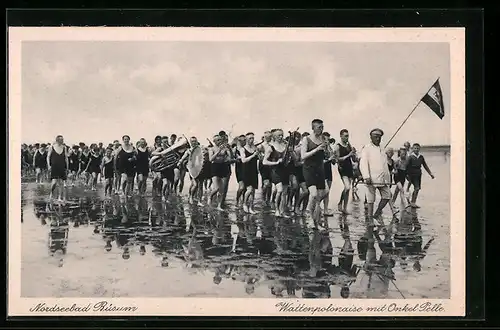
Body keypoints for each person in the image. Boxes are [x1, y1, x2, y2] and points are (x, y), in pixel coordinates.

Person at [359, 128, 392, 226]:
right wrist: (366, 176)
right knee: (370, 199)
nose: (378, 138)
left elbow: (385, 164)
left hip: (383, 178)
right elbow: (363, 163)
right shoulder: (367, 148)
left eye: (379, 136)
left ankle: (377, 213)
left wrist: (388, 176)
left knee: (387, 196)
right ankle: (370, 219)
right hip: (371, 178)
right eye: (375, 136)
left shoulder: (382, 148)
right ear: (371, 137)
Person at [301, 119, 329, 228]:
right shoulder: (306, 139)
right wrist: (317, 149)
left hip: (320, 169)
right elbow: (303, 156)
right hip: (309, 169)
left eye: (322, 127)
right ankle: (309, 213)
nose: (321, 130)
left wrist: (326, 150)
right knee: (313, 194)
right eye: (319, 127)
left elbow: (325, 156)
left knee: (320, 196)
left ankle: (316, 222)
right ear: (313, 128)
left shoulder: (323, 139)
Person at [263, 129, 289, 217]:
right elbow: (264, 162)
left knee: (285, 192)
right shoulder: (270, 147)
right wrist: (276, 162)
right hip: (275, 171)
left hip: (285, 170)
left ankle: (282, 211)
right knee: (280, 190)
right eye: (278, 135)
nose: (281, 137)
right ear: (274, 136)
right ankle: (276, 209)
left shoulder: (285, 145)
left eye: (282, 135)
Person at [406, 143, 435, 208]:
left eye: (417, 148)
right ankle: (412, 202)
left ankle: (412, 201)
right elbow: (406, 167)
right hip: (412, 174)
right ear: (412, 149)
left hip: (418, 174)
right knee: (416, 188)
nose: (416, 149)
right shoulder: (410, 157)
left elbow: (425, 166)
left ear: (419, 149)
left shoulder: (421, 157)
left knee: (417, 188)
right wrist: (407, 175)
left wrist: (430, 174)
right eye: (415, 148)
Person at [208, 135, 232, 210]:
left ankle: (219, 206)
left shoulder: (224, 148)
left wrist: (229, 150)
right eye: (218, 140)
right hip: (215, 167)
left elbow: (230, 157)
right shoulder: (211, 149)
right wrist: (218, 151)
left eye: (220, 139)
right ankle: (210, 196)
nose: (220, 141)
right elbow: (210, 159)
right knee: (216, 188)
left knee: (222, 189)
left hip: (223, 166)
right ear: (214, 141)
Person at [334, 129, 355, 214]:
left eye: (348, 136)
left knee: (348, 189)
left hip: (349, 167)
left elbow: (353, 159)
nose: (347, 137)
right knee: (347, 187)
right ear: (341, 136)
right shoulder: (338, 146)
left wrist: (353, 154)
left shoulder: (348, 145)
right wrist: (349, 155)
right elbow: (338, 159)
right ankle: (339, 203)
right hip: (342, 168)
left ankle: (345, 208)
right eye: (345, 136)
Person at [240, 132, 259, 214]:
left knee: (253, 191)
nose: (251, 140)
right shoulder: (242, 149)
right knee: (249, 189)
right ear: (246, 140)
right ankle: (244, 204)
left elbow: (258, 159)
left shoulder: (255, 148)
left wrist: (258, 155)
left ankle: (251, 207)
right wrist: (253, 155)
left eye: (252, 138)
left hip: (254, 170)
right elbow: (243, 160)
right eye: (250, 138)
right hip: (246, 170)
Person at [47, 135, 69, 201]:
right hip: (54, 166)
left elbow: (66, 158)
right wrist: (49, 165)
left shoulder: (64, 148)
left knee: (61, 182)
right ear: (57, 140)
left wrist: (67, 167)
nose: (62, 141)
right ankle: (51, 193)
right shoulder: (52, 147)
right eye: (61, 139)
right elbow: (48, 157)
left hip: (62, 166)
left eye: (62, 139)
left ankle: (59, 197)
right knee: (54, 183)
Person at [322, 132, 336, 216]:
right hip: (321, 171)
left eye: (328, 139)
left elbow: (333, 162)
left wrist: (333, 158)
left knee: (327, 192)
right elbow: (320, 162)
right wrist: (329, 159)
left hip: (328, 171)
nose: (326, 141)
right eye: (324, 139)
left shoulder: (330, 149)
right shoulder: (320, 148)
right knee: (325, 191)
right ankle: (314, 206)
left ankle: (326, 210)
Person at [258, 131, 273, 206]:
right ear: (264, 137)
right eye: (267, 137)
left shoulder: (273, 144)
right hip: (263, 166)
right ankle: (263, 199)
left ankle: (268, 200)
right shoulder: (261, 146)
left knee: (270, 184)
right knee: (266, 184)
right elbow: (259, 157)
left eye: (270, 137)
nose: (269, 138)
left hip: (272, 165)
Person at [235, 135, 247, 207]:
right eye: (241, 140)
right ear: (238, 141)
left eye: (244, 140)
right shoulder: (236, 149)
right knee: (241, 187)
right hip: (239, 169)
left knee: (245, 188)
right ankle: (237, 200)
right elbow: (233, 158)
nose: (243, 142)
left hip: (246, 169)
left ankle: (243, 202)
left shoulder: (247, 148)